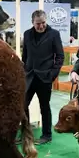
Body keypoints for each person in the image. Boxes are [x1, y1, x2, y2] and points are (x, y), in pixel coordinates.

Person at [19, 9, 64, 145]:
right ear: (33, 22)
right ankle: (25, 134)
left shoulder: (54, 34)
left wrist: (52, 74)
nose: (41, 26)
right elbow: (25, 55)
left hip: (45, 77)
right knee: (23, 105)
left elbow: (60, 56)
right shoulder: (27, 34)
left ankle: (47, 135)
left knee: (44, 106)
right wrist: (24, 70)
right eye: (38, 23)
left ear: (46, 21)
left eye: (43, 23)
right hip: (29, 76)